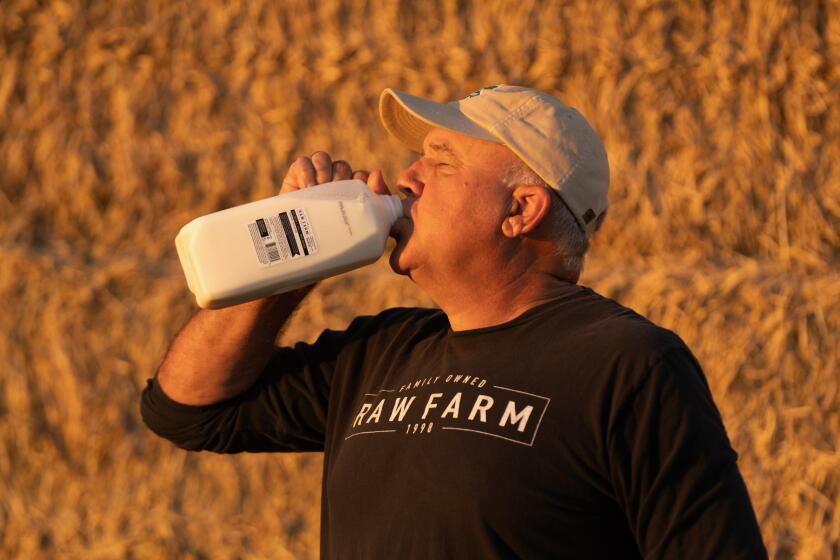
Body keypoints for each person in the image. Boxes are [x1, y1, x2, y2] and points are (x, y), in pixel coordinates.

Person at [141, 85, 767, 558]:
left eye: (440, 162)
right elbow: (187, 409)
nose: (406, 177)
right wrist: (294, 261)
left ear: (520, 209)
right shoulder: (379, 351)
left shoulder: (628, 365)